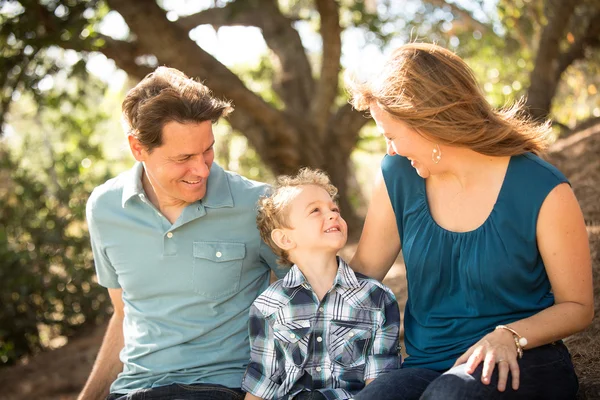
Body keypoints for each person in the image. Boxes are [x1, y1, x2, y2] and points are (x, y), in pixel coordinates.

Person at [346, 43, 594, 400]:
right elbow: (364, 272)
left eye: (391, 136)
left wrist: (509, 334)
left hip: (521, 360)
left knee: (450, 396)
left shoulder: (542, 188)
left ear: (427, 122)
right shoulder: (397, 175)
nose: (390, 150)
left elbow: (577, 307)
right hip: (426, 365)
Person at [79, 66, 286, 400]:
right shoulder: (105, 208)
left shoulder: (260, 204)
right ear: (138, 148)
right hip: (134, 390)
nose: (202, 169)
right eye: (184, 157)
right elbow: (124, 314)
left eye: (207, 150)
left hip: (224, 388)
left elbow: (308, 303)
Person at [241, 168, 401, 400]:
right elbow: (262, 384)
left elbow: (380, 385)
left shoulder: (377, 298)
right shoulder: (268, 306)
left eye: (334, 209)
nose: (333, 214)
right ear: (285, 238)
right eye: (315, 210)